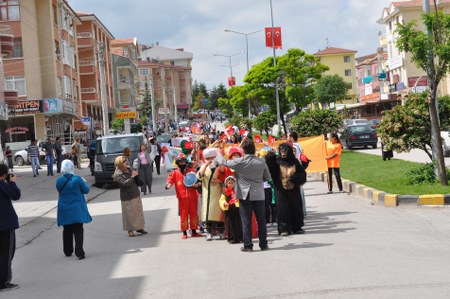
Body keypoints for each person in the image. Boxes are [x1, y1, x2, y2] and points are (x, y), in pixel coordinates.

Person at [215, 139, 271, 252]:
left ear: (243, 151)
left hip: (244, 194)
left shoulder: (239, 161)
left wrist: (219, 154)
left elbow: (224, 162)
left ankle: (248, 245)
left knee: (246, 221)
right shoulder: (261, 162)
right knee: (261, 220)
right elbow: (267, 177)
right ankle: (263, 244)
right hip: (259, 193)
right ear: (254, 150)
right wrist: (258, 181)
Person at [266, 143, 307, 236]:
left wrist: (293, 179)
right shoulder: (276, 161)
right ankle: (284, 228)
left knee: (296, 207)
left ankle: (297, 227)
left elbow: (303, 175)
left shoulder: (295, 161)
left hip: (293, 188)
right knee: (282, 209)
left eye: (285, 150)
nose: (283, 153)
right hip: (280, 189)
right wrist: (269, 158)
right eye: (282, 150)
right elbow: (270, 171)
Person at [56, 160, 91, 260]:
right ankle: (79, 252)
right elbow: (86, 190)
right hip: (77, 208)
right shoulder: (78, 179)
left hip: (64, 208)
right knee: (78, 229)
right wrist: (84, 182)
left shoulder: (59, 180)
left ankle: (67, 251)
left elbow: (59, 190)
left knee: (66, 229)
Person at [166, 154, 202, 239]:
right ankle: (184, 232)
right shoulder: (175, 173)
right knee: (184, 214)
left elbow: (198, 180)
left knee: (194, 213)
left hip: (193, 195)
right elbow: (170, 180)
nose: (182, 163)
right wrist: (168, 185)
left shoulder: (191, 171)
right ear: (178, 163)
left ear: (186, 163)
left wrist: (197, 184)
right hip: (182, 197)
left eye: (184, 162)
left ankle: (194, 231)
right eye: (180, 162)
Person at [113, 156, 147, 237]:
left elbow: (135, 177)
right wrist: (132, 176)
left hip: (135, 193)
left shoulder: (129, 168)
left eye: (126, 160)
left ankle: (139, 228)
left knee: (138, 212)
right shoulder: (117, 174)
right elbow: (125, 184)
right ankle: (130, 230)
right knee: (129, 214)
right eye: (124, 161)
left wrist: (136, 175)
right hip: (127, 196)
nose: (126, 162)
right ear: (120, 163)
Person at [0, 164, 21, 291]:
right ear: (3, 174)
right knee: (6, 254)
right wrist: (12, 183)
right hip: (5, 224)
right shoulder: (2, 184)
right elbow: (15, 195)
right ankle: (4, 282)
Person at [198, 148, 225, 241]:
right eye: (208, 158)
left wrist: (219, 180)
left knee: (219, 213)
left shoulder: (219, 166)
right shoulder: (204, 166)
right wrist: (205, 165)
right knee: (208, 213)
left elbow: (224, 175)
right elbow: (200, 176)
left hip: (218, 192)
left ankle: (221, 232)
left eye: (212, 157)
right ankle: (209, 233)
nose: (210, 160)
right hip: (207, 193)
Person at [219, 176, 242, 244]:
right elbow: (221, 200)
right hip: (229, 209)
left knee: (238, 223)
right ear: (226, 184)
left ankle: (240, 237)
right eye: (229, 183)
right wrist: (224, 203)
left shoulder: (237, 191)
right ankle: (232, 238)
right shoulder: (225, 192)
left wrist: (239, 200)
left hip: (237, 209)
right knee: (230, 224)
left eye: (232, 183)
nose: (230, 184)